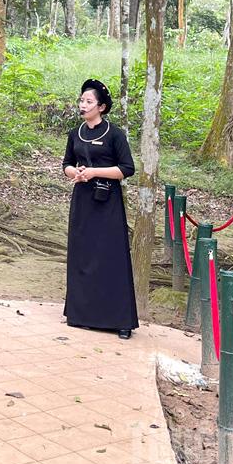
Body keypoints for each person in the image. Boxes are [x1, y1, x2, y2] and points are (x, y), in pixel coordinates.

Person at [62, 78, 138, 338]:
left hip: (107, 202)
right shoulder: (75, 134)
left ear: (102, 107)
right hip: (83, 199)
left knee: (111, 256)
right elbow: (67, 164)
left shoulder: (114, 134)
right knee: (82, 254)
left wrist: (95, 172)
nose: (83, 105)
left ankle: (121, 321)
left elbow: (127, 168)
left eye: (89, 101)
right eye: (81, 101)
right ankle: (82, 314)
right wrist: (76, 173)